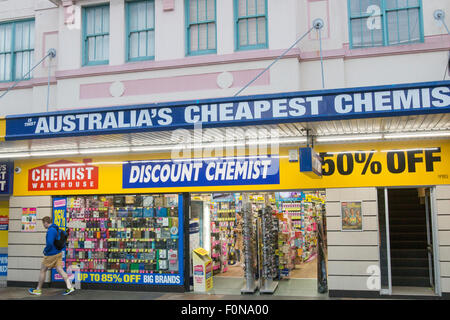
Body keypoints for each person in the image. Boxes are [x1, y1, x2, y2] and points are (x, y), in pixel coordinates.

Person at [28, 216, 75, 296]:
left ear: (46, 222)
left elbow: (49, 243)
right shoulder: (56, 228)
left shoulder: (50, 230)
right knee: (60, 270)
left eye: (43, 223)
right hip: (58, 253)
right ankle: (70, 287)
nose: (43, 225)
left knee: (43, 270)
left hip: (51, 254)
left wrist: (45, 251)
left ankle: (38, 290)